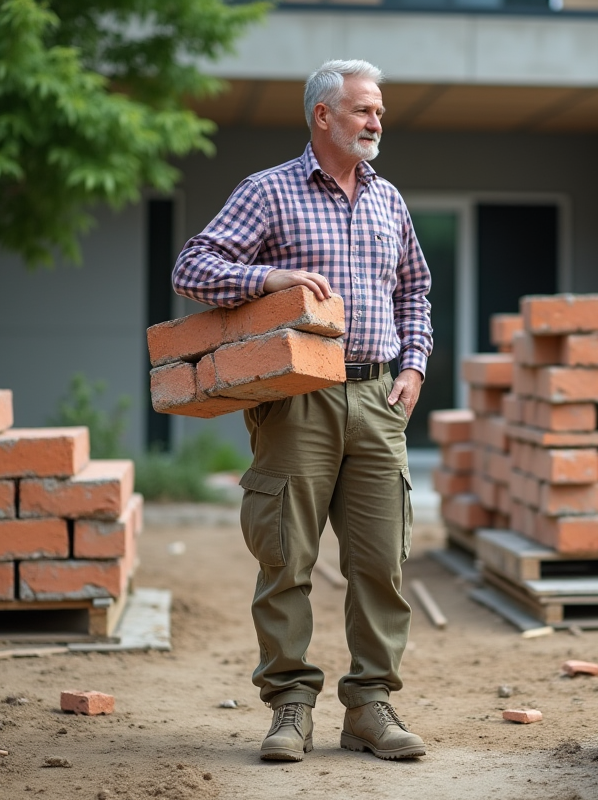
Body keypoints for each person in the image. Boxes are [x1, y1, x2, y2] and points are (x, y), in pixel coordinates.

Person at [172, 59, 432, 763]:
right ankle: (290, 707)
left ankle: (370, 708)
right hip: (295, 401)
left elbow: (414, 291)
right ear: (323, 115)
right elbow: (192, 267)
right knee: (285, 559)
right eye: (363, 110)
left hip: (378, 399)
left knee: (381, 562)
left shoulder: (388, 199)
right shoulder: (268, 191)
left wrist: (414, 364)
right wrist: (269, 277)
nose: (376, 122)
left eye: (379, 112)